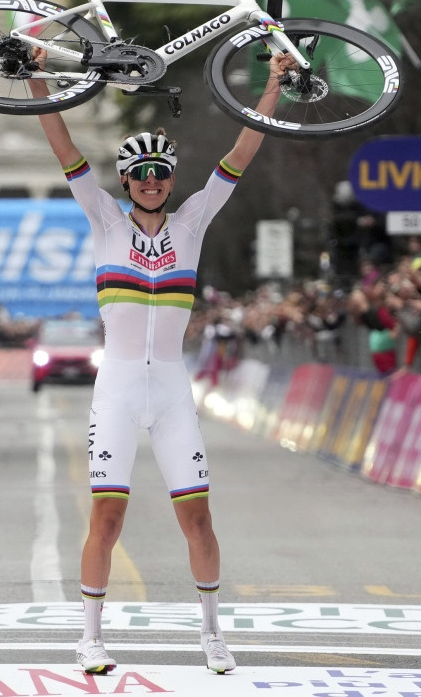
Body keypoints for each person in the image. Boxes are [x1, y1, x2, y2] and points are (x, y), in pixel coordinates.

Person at [29, 49, 296, 675]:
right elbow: (61, 142)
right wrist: (39, 77)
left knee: (197, 518)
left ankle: (211, 634)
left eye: (160, 172)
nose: (151, 180)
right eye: (140, 173)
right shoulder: (103, 219)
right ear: (126, 181)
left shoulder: (193, 221)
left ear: (171, 180)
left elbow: (242, 154)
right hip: (118, 388)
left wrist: (275, 85)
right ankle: (90, 638)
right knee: (108, 515)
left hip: (172, 390)